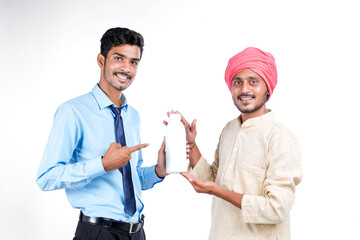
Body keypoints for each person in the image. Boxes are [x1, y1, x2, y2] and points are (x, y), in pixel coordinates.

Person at [36, 27, 168, 240]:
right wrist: (103, 164)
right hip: (98, 233)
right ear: (101, 60)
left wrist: (159, 170)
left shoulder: (131, 115)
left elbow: (131, 179)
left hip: (137, 232)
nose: (126, 68)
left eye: (133, 62)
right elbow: (46, 177)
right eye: (118, 58)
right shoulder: (73, 112)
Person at [180, 47, 303, 239]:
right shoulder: (229, 130)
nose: (245, 89)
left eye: (253, 82)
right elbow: (213, 180)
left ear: (267, 88)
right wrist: (192, 145)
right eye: (238, 82)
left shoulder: (280, 138)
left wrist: (221, 192)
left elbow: (277, 208)